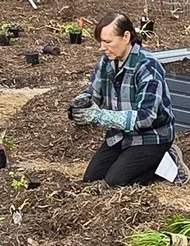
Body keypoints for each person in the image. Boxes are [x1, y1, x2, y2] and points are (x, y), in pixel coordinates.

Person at [72, 11, 177, 188]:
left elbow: (145, 117)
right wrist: (81, 103)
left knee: (115, 182)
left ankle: (168, 162)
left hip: (152, 137)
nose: (102, 47)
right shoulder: (106, 62)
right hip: (120, 135)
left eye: (107, 42)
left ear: (126, 37)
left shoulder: (148, 66)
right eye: (100, 42)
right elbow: (94, 93)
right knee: (91, 180)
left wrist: (98, 116)